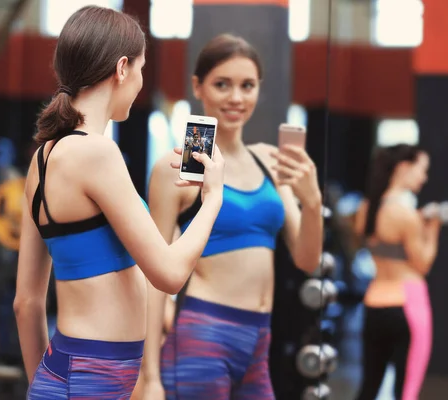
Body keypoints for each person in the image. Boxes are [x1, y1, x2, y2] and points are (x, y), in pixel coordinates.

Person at [13, 6, 225, 399]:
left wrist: (44, 385)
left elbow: (26, 304)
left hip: (68, 376)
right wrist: (213, 198)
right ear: (122, 68)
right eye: (143, 69)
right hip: (91, 381)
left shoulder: (41, 160)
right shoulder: (98, 154)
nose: (142, 82)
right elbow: (169, 274)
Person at [137, 34, 324, 400]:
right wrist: (149, 377)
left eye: (247, 86)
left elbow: (308, 259)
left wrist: (313, 202)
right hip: (202, 336)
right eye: (222, 84)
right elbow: (154, 277)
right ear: (198, 87)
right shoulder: (180, 167)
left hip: (259, 340)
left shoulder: (270, 160)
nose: (236, 98)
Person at [353, 144, 441, 400]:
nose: (424, 177)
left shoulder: (365, 210)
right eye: (421, 170)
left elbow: (384, 248)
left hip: (374, 302)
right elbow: (422, 264)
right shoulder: (406, 216)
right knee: (406, 390)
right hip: (407, 303)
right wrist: (433, 228)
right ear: (404, 167)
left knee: (368, 387)